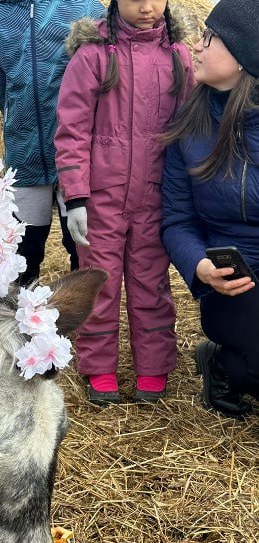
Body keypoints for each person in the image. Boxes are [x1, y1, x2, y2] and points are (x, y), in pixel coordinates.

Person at [54, 0, 195, 405]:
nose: (147, 7)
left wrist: (185, 195)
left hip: (157, 196)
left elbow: (189, 127)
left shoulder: (179, 56)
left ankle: (153, 368)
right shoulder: (93, 55)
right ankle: (99, 369)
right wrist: (76, 196)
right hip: (102, 198)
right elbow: (72, 129)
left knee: (151, 282)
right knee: (99, 282)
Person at [161, 0, 258, 419]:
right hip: (235, 288)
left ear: (244, 56)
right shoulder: (190, 127)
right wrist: (199, 266)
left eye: (209, 37)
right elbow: (177, 221)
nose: (196, 47)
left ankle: (223, 365)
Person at [0, 0, 105, 287]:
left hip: (77, 155)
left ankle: (83, 320)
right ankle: (23, 319)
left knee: (83, 246)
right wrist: (20, 115)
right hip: (25, 153)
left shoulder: (87, 8)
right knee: (23, 252)